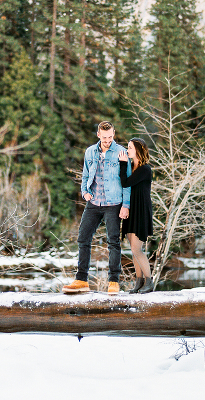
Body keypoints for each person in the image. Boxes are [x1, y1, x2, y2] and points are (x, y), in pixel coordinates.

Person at [63, 121, 130, 294]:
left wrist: (126, 205)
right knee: (83, 238)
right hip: (93, 203)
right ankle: (81, 280)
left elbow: (127, 182)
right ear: (98, 135)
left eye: (110, 137)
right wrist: (84, 191)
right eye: (105, 137)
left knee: (113, 242)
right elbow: (85, 175)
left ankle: (114, 281)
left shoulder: (121, 152)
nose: (108, 140)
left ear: (114, 133)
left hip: (113, 203)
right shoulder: (90, 152)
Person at [118, 138, 154, 294]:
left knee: (137, 249)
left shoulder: (145, 169)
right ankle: (139, 282)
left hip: (140, 211)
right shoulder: (132, 167)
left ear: (138, 150)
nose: (127, 150)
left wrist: (122, 163)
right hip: (131, 210)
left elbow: (125, 183)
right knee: (133, 250)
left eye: (130, 147)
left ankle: (149, 281)